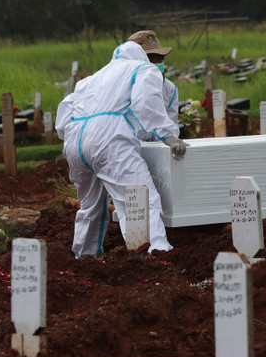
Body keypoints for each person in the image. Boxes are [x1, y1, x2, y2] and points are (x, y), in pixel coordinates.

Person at [56, 30, 187, 258]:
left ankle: (84, 258)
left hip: (76, 139)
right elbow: (146, 104)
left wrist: (76, 140)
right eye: (153, 57)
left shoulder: (94, 78)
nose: (158, 63)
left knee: (90, 206)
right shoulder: (142, 69)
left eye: (161, 58)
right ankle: (154, 257)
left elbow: (64, 116)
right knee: (139, 199)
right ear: (142, 56)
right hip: (109, 140)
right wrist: (168, 135)